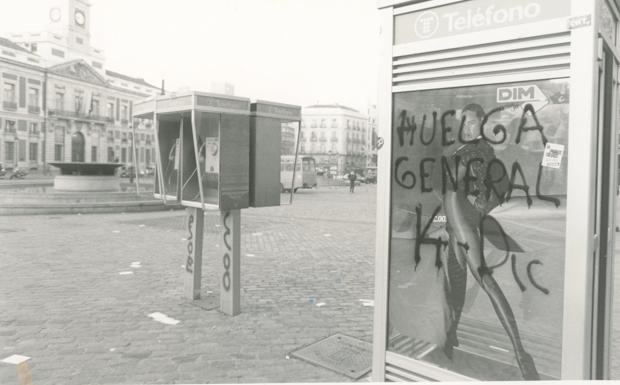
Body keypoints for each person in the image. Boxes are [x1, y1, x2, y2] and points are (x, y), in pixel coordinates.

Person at [441, 103, 539, 380]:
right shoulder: (485, 151)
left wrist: (458, 228)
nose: (466, 127)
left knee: (483, 280)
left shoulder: (469, 152)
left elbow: (450, 194)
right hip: (462, 222)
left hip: (460, 221)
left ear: (481, 122)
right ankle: (451, 336)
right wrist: (481, 207)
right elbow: (498, 189)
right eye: (463, 123)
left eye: (471, 123)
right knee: (457, 282)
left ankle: (520, 352)